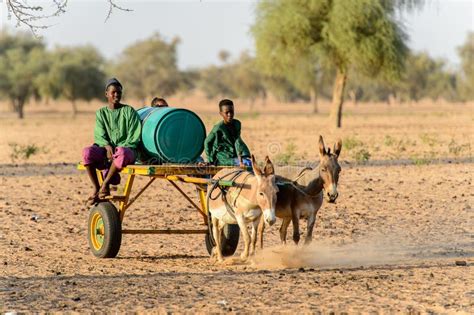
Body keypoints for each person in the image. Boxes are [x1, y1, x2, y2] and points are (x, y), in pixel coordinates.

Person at [82, 78, 141, 205]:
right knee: (87, 152)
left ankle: (105, 184)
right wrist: (106, 145)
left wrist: (118, 149)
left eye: (119, 92)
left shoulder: (129, 111)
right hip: (106, 150)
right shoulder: (101, 113)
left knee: (122, 153)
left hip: (126, 151)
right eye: (113, 92)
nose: (116, 95)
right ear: (106, 94)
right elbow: (99, 134)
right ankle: (97, 188)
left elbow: (134, 136)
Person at [204, 99, 251, 166]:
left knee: (249, 162)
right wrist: (210, 160)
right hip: (222, 158)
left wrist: (243, 155)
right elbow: (207, 142)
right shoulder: (218, 128)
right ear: (221, 113)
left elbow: (238, 141)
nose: (230, 115)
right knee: (247, 163)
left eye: (232, 112)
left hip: (235, 155)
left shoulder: (237, 124)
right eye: (227, 112)